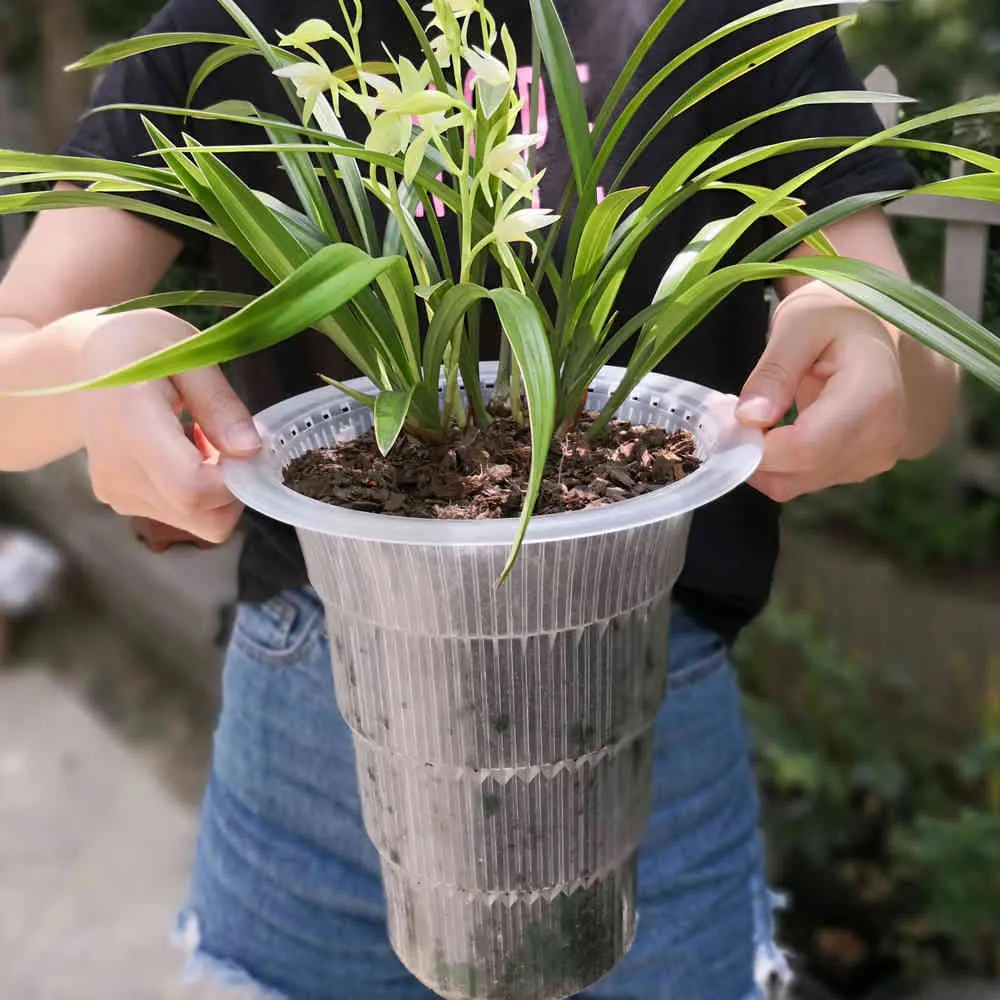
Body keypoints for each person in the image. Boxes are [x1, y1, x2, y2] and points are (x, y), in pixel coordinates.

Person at [0, 0, 960, 997]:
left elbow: (914, 381)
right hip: (312, 719)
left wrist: (865, 327)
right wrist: (90, 363)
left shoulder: (734, 21)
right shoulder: (236, 22)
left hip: (638, 726)